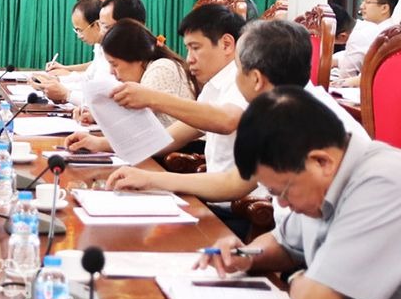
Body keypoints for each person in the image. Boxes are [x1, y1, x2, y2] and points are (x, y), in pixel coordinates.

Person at [198, 87, 401, 299]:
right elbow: (283, 242)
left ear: (321, 162)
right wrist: (244, 256)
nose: (282, 203)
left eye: (283, 191)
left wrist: (293, 278)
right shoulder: (319, 184)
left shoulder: (385, 183)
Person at [106, 19, 367, 201]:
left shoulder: (308, 124)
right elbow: (234, 181)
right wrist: (150, 179)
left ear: (256, 79)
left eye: (237, 69)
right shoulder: (283, 108)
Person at [66, 4, 246, 177]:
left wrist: (152, 98)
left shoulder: (242, 80)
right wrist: (99, 143)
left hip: (234, 197)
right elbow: (165, 139)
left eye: (196, 48)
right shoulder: (213, 88)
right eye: (188, 49)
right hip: (214, 188)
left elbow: (227, 120)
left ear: (226, 44)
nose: (189, 59)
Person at [91, 19, 197, 127]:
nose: (111, 72)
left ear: (136, 57)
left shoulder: (161, 68)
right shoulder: (153, 69)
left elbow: (133, 121)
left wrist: (100, 115)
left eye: (114, 64)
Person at [331, 0, 398, 86]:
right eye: (363, 0)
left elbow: (378, 76)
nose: (362, 6)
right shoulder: (376, 28)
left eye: (368, 2)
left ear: (384, 8)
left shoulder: (387, 36)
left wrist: (342, 83)